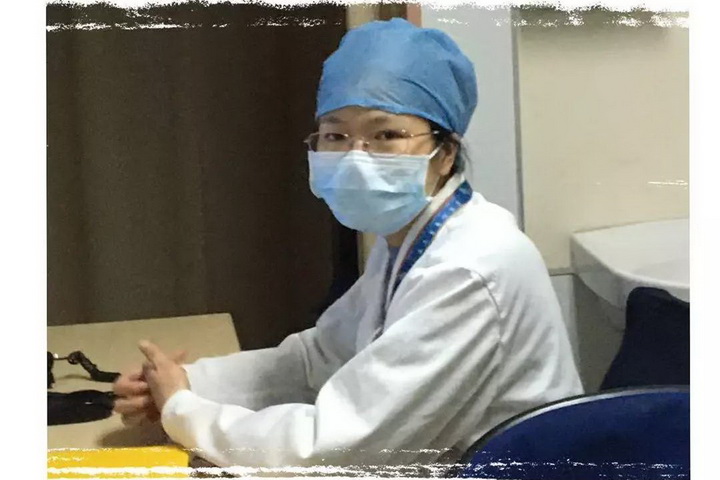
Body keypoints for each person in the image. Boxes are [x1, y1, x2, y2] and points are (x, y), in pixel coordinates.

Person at [113, 18, 582, 474]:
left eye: (386, 135)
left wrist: (184, 411)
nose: (356, 159)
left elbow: (337, 452)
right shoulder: (411, 238)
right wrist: (193, 382)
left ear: (446, 153)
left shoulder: (469, 267)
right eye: (336, 135)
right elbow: (320, 358)